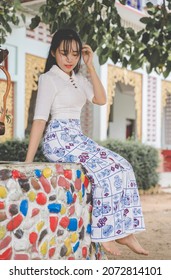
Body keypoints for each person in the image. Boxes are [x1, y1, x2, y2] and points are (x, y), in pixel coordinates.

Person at [25, 28, 148, 256]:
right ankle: (105, 234)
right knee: (104, 171)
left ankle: (125, 232)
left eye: (75, 54)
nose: (70, 59)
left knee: (123, 166)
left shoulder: (79, 79)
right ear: (53, 53)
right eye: (64, 53)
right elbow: (40, 120)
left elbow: (101, 99)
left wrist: (90, 66)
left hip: (77, 137)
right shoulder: (48, 78)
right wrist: (28, 161)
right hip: (59, 139)